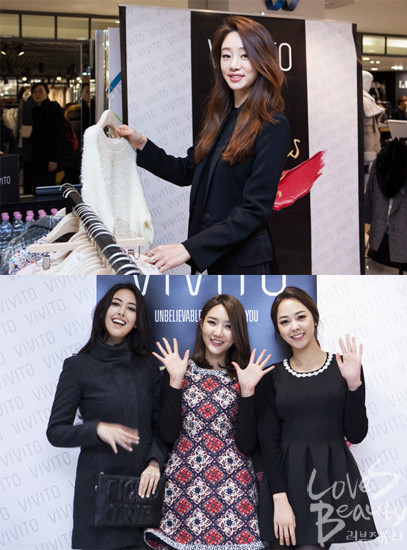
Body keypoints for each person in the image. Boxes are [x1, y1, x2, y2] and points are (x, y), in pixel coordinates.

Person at [117, 15, 291, 275]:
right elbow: (187, 170)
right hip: (215, 259)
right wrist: (141, 144)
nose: (234, 65)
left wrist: (188, 249)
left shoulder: (272, 124)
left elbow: (254, 209)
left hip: (246, 266)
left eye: (245, 56)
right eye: (226, 56)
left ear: (262, 60)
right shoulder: (220, 117)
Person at [144, 294, 273, 550]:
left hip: (234, 489)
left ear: (238, 332)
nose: (218, 332)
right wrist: (175, 381)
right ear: (201, 324)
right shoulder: (180, 370)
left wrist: (248, 391)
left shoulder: (247, 376)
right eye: (212, 322)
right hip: (184, 485)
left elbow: (247, 444)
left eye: (228, 326)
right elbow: (167, 434)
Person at [47, 283, 167, 550]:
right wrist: (97, 429)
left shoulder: (148, 366)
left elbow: (159, 427)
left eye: (131, 308)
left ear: (136, 321)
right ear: (103, 311)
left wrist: (154, 463)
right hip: (97, 499)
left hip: (140, 496)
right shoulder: (78, 366)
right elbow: (55, 432)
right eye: (116, 304)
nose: (122, 312)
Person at [256, 287, 378, 549]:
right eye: (284, 321)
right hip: (284, 483)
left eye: (300, 317)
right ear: (278, 330)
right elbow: (268, 440)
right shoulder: (271, 376)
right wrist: (279, 499)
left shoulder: (345, 367)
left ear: (315, 317)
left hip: (327, 482)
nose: (294, 327)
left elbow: (356, 434)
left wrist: (354, 385)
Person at [365, 138, 407, 274]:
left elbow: (369, 196)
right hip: (406, 241)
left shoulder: (378, 164)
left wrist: (367, 218)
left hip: (380, 240)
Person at [30, 81, 65, 187]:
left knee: (47, 186)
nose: (37, 94)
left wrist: (54, 159)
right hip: (38, 157)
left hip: (49, 158)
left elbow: (58, 135)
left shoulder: (53, 109)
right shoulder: (37, 110)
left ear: (47, 93)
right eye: (35, 92)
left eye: (41, 91)